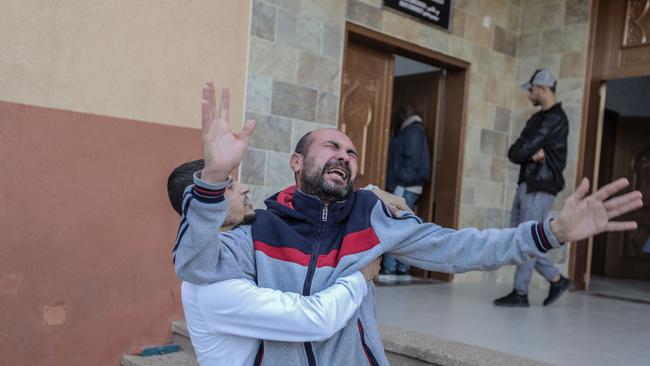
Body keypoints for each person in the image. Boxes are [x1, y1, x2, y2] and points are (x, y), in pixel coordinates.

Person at [174, 82, 643, 365]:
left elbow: (461, 247)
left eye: (351, 152)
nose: (344, 156)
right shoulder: (260, 228)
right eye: (331, 148)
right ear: (296, 162)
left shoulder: (373, 215)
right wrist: (214, 178)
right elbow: (195, 264)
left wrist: (552, 232)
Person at [167, 159, 383, 365]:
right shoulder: (211, 288)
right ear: (204, 208)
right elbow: (316, 320)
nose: (245, 188)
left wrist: (369, 195)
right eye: (230, 188)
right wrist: (360, 276)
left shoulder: (242, 247)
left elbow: (304, 211)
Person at [493, 69, 571, 307]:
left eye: (532, 88)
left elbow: (522, 149)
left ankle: (521, 292)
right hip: (527, 182)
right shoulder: (537, 118)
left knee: (527, 237)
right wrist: (527, 153)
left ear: (544, 88)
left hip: (541, 185)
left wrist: (528, 152)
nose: (529, 92)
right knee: (518, 237)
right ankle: (556, 279)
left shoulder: (555, 119)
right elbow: (515, 151)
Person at [383, 104, 431, 276]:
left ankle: (394, 269)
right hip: (407, 185)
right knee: (401, 226)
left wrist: (399, 184)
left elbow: (412, 160)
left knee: (396, 227)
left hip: (405, 186)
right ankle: (400, 269)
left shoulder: (413, 131)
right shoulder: (412, 130)